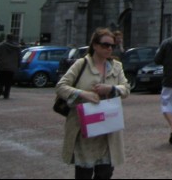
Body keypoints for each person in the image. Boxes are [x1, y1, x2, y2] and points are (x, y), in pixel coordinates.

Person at [55, 28, 130, 179]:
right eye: (105, 45)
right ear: (95, 45)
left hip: (108, 129)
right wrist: (83, 94)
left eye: (112, 46)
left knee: (105, 173)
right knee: (84, 173)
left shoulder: (116, 66)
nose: (109, 48)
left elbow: (126, 89)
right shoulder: (81, 64)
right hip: (85, 129)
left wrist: (111, 88)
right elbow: (61, 86)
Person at [0, 33, 21, 99]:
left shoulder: (1, 45)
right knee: (8, 81)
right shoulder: (17, 47)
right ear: (12, 38)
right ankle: (6, 94)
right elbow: (19, 57)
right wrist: (18, 65)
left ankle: (0, 91)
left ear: (6, 38)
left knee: (0, 80)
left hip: (2, 65)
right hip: (12, 66)